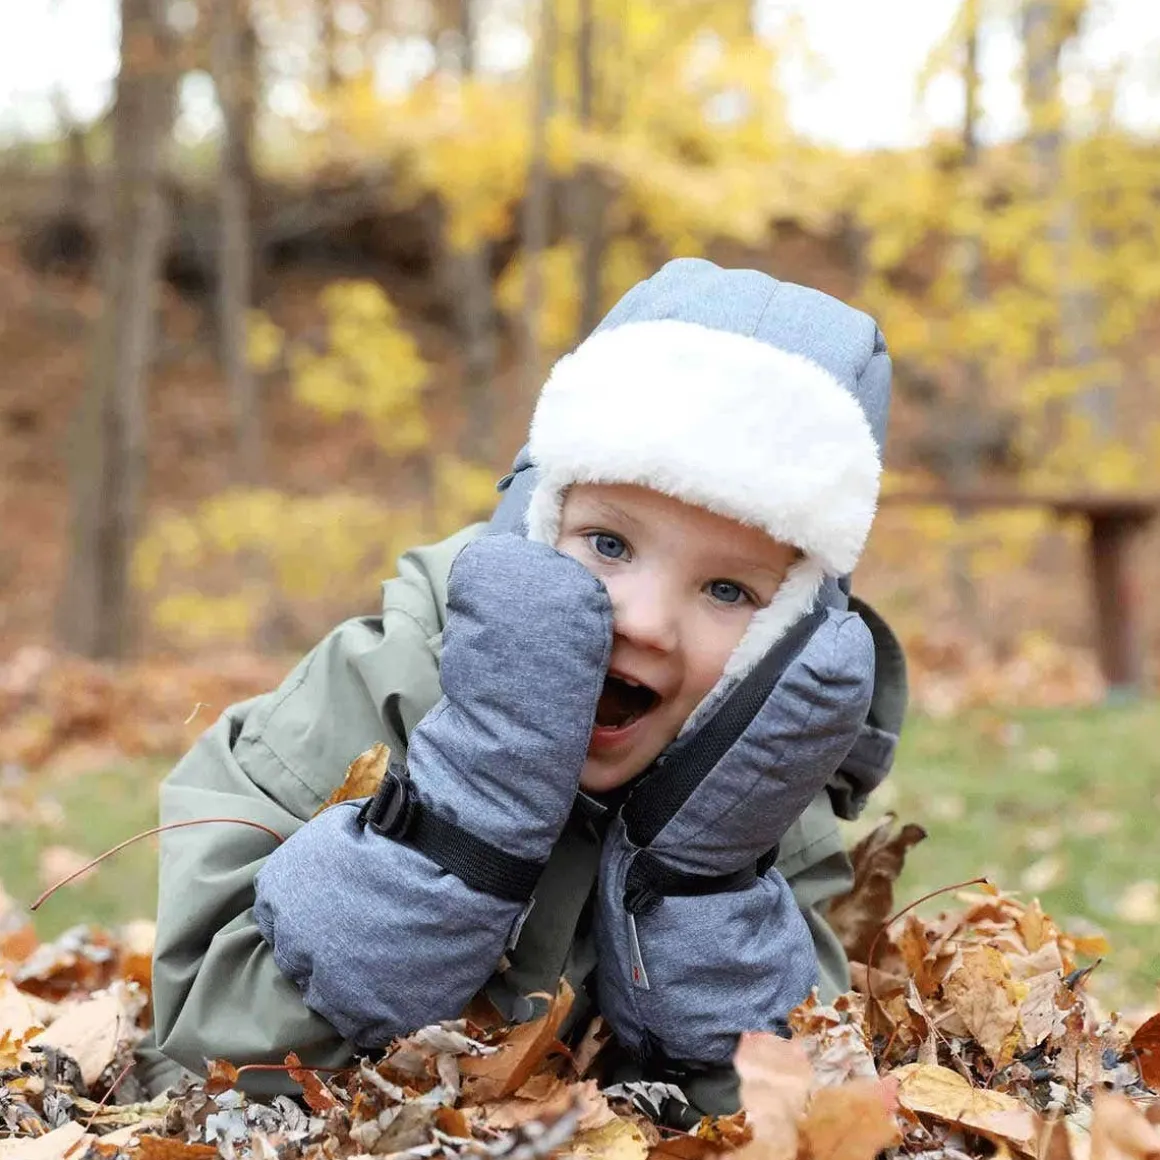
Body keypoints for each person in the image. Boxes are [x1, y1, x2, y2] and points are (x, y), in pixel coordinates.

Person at [142, 258, 907, 1118]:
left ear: (789, 635)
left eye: (728, 591)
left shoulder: (769, 797)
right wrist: (465, 811)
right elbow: (207, 1052)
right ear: (537, 524)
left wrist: (701, 888)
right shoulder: (384, 684)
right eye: (609, 545)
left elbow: (779, 1118)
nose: (645, 622)